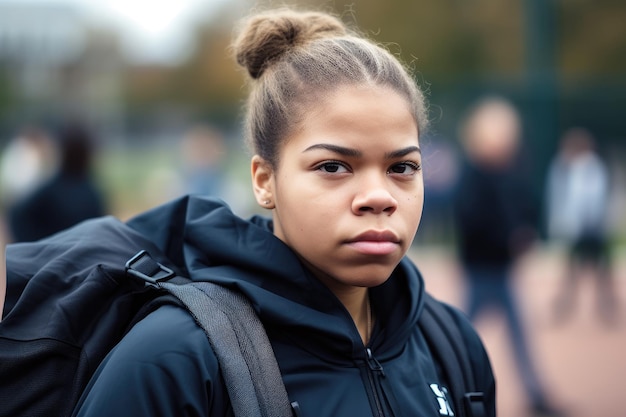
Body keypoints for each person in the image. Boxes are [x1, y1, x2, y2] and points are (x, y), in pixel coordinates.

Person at [68, 8, 495, 416]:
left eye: (402, 167)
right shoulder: (174, 359)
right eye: (333, 166)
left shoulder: (453, 345)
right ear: (264, 180)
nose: (378, 196)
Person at [452, 96, 564, 417]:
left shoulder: (509, 172)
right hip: (482, 267)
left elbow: (524, 207)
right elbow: (471, 221)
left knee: (481, 331)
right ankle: (440, 379)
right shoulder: (474, 175)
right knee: (460, 332)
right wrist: (509, 237)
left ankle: (535, 392)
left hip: (500, 267)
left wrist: (524, 231)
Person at [545, 127, 617, 324]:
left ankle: (606, 309)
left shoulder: (590, 169)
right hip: (582, 229)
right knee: (575, 273)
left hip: (591, 230)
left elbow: (589, 202)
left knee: (597, 274)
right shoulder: (569, 167)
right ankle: (567, 309)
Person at [7, 122, 107, 242]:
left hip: (54, 255)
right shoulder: (91, 193)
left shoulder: (52, 189)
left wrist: (34, 248)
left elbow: (17, 215)